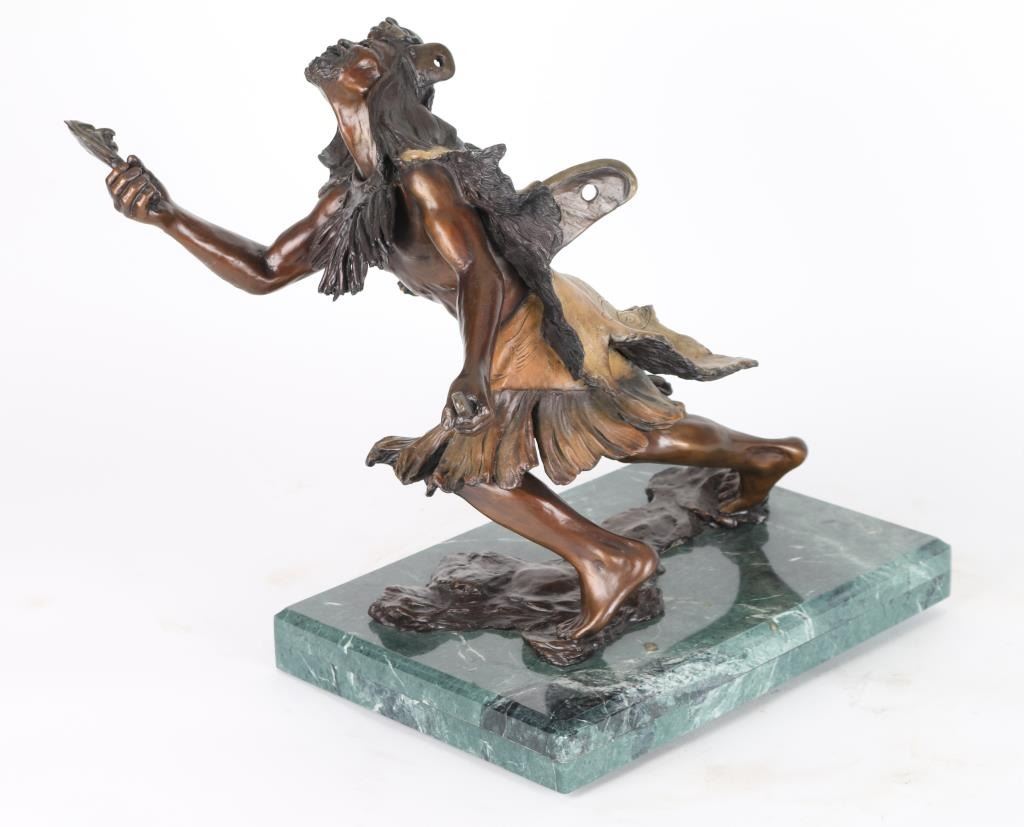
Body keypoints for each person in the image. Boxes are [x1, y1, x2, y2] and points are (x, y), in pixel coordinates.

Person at [101, 19, 806, 640]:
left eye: (364, 53)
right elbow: (263, 270)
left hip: (525, 319)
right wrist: (167, 216)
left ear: (388, 87)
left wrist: (473, 373)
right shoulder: (353, 197)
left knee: (473, 465)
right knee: (629, 429)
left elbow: (480, 273)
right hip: (538, 312)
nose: (342, 49)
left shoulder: (426, 180)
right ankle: (764, 456)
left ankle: (611, 560)